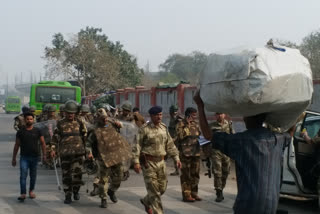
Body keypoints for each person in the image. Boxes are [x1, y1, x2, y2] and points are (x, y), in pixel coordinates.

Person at [193, 90, 290, 214]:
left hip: (247, 205)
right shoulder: (278, 139)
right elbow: (291, 132)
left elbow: (207, 135)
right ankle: (219, 191)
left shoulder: (241, 141)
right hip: (271, 205)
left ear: (247, 118)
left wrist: (200, 106)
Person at [133, 106, 182, 214]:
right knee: (155, 193)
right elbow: (137, 146)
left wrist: (176, 158)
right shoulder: (144, 129)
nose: (159, 117)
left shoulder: (163, 128)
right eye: (156, 115)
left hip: (161, 162)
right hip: (148, 163)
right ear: (151, 116)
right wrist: (136, 162)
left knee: (162, 188)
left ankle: (146, 201)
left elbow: (170, 145)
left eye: (160, 114)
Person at [86, 108, 131, 208]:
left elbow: (122, 128)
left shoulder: (112, 124)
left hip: (116, 155)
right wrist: (89, 153)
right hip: (103, 157)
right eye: (102, 118)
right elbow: (88, 144)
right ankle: (104, 198)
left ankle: (111, 191)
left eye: (106, 118)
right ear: (97, 119)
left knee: (119, 176)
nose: (105, 120)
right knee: (103, 180)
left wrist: (120, 125)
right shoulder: (94, 130)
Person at [50, 100, 87, 204]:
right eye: (68, 112)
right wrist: (52, 149)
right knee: (66, 175)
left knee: (77, 174)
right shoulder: (60, 123)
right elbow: (55, 138)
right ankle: (67, 194)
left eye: (72, 112)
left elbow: (85, 138)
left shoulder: (80, 122)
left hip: (78, 153)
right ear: (65, 112)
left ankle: (76, 191)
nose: (70, 114)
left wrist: (88, 152)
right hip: (65, 154)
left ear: (75, 113)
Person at [12, 112, 46, 201]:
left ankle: (31, 191)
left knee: (33, 175)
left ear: (33, 120)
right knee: (23, 175)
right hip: (24, 157)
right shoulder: (20, 132)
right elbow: (16, 145)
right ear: (24, 120)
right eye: (27, 119)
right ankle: (23, 193)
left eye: (31, 119)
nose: (29, 120)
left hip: (35, 157)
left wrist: (44, 155)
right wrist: (14, 158)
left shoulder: (38, 131)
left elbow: (43, 143)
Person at [175, 107, 201, 202]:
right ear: (188, 115)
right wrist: (187, 125)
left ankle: (194, 193)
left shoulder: (196, 124)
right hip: (185, 154)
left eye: (195, 114)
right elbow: (180, 136)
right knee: (186, 175)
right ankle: (186, 195)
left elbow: (199, 136)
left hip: (196, 153)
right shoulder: (180, 124)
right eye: (193, 115)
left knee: (195, 174)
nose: (195, 116)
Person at [209, 112, 235, 202]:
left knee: (226, 172)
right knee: (217, 172)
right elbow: (207, 138)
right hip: (216, 151)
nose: (219, 115)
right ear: (215, 115)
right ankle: (218, 192)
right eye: (217, 114)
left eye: (221, 114)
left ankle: (221, 188)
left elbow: (233, 136)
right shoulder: (211, 126)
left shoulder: (229, 124)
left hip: (226, 152)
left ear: (224, 115)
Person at [168, 105, 183, 176]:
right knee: (175, 155)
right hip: (172, 139)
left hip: (176, 140)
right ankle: (177, 169)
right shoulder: (172, 118)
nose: (174, 113)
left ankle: (178, 170)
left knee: (176, 154)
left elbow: (179, 130)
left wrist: (175, 138)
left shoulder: (177, 119)